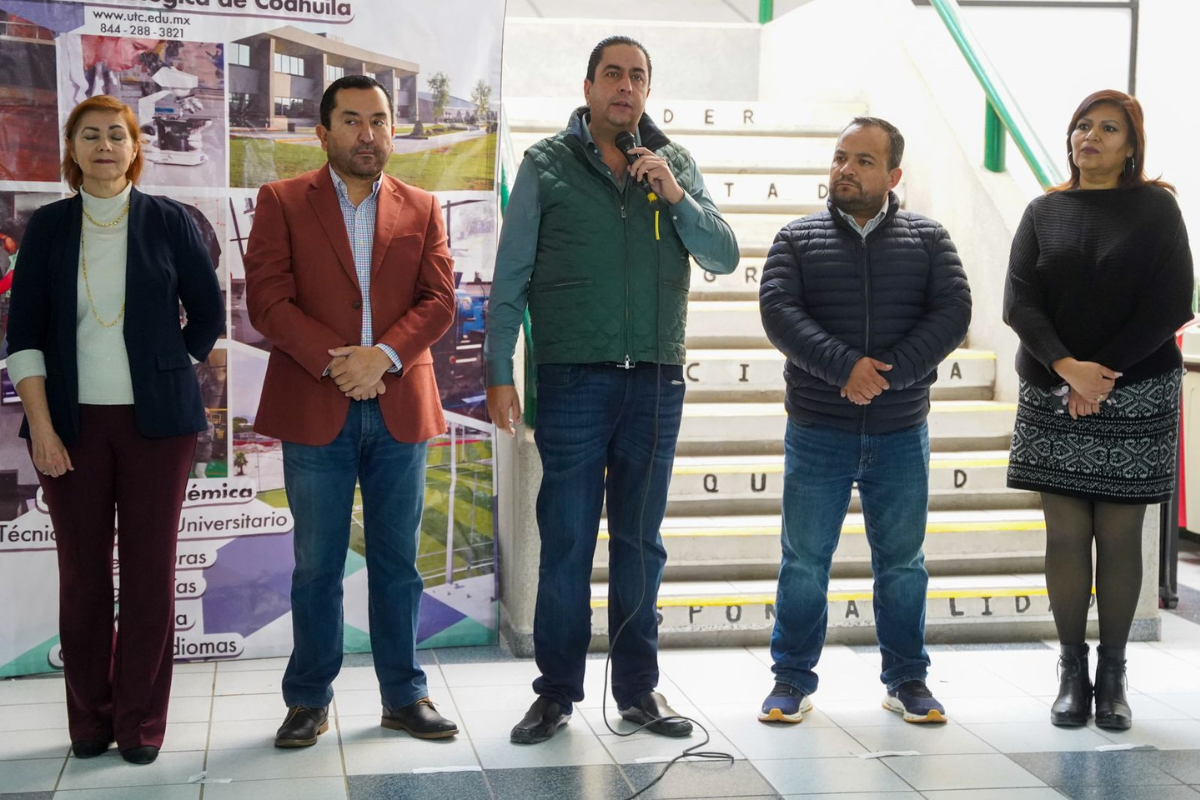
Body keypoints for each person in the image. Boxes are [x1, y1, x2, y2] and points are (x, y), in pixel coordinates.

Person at [485, 35, 739, 745]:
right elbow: (511, 274)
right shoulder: (546, 163)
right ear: (589, 87)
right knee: (567, 541)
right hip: (572, 379)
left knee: (640, 544)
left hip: (655, 382)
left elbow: (723, 253)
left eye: (638, 77)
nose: (625, 86)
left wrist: (675, 195)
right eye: (613, 74)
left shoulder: (674, 163)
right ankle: (556, 693)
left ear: (647, 90)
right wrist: (499, 369)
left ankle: (637, 690)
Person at [4, 94, 224, 764]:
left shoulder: (170, 221)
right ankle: (91, 721)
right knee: (83, 578)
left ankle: (140, 723)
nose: (104, 146)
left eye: (117, 135)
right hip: (69, 427)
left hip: (159, 427)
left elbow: (208, 315)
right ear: (72, 151)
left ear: (135, 149)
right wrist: (41, 428)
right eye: (90, 135)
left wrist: (167, 366)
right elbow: (24, 336)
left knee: (151, 575)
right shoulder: (48, 228)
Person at [244, 75, 459, 748]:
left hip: (399, 407)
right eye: (353, 121)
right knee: (317, 565)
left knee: (399, 564)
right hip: (317, 404)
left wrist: (383, 357)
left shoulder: (422, 206)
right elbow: (267, 300)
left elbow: (440, 301)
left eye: (380, 120)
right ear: (323, 132)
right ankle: (308, 700)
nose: (369, 134)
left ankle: (405, 696)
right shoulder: (282, 201)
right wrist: (339, 362)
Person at [757, 117, 971, 726]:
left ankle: (907, 680)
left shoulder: (929, 239)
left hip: (900, 431)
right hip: (818, 430)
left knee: (902, 563)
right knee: (804, 561)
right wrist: (844, 368)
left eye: (863, 161)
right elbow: (779, 312)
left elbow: (953, 312)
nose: (845, 169)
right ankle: (791, 680)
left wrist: (888, 375)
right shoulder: (796, 238)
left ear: (893, 176)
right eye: (840, 157)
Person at [1003, 89, 1193, 732]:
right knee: (1064, 535)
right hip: (1053, 390)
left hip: (1136, 391)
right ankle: (1071, 670)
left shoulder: (1157, 209)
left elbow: (1172, 302)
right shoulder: (1043, 210)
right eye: (1082, 125)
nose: (1091, 136)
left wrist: (1100, 375)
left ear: (1131, 146)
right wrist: (1069, 369)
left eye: (1109, 128)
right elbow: (1019, 302)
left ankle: (1113, 674)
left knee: (1118, 536)